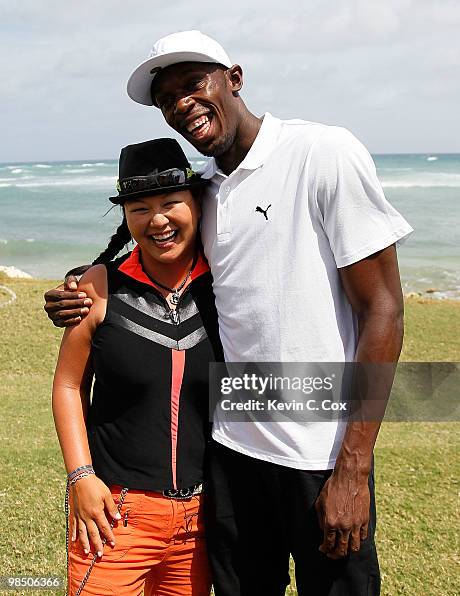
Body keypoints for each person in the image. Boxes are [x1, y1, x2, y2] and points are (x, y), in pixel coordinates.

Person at [45, 31, 414, 595]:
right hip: (232, 460)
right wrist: (80, 287)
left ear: (234, 78)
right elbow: (149, 246)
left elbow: (384, 309)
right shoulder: (208, 193)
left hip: (321, 458)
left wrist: (354, 465)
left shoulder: (322, 152)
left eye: (194, 84)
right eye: (168, 99)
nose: (182, 105)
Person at [52, 137, 223, 596]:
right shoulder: (99, 287)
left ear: (197, 203)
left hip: (204, 519)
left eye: (172, 202)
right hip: (114, 514)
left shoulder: (228, 286)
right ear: (126, 219)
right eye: (139, 208)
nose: (158, 220)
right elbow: (69, 385)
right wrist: (81, 478)